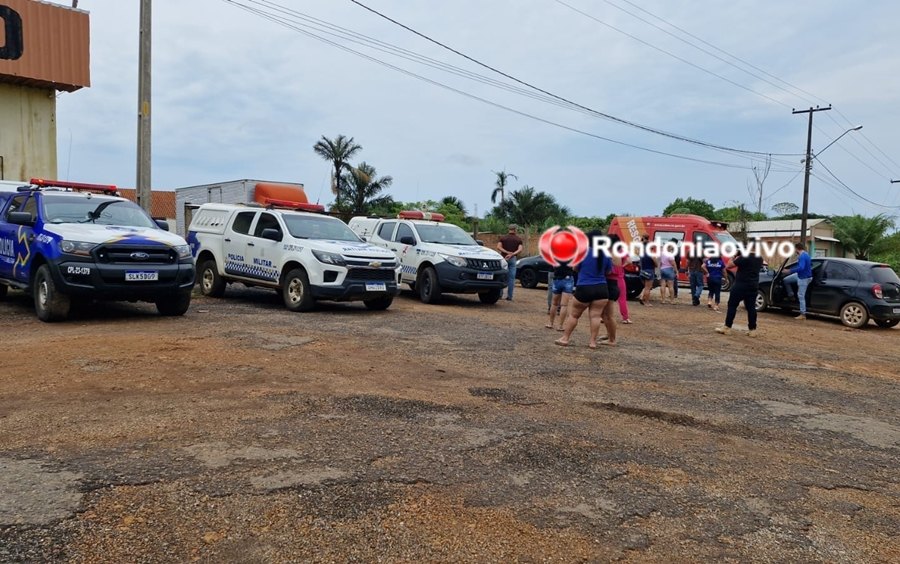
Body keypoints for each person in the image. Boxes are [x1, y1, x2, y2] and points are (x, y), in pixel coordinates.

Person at [555, 231, 612, 348]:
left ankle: (565, 338)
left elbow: (575, 268)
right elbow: (608, 272)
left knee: (574, 315)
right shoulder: (605, 254)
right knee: (596, 316)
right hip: (601, 288)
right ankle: (592, 342)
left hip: (584, 287)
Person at [715, 249, 764, 337]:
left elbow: (729, 265)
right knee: (751, 308)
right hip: (753, 285)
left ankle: (727, 327)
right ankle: (752, 330)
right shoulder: (759, 258)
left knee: (732, 305)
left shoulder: (744, 257)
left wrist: (733, 256)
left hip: (741, 285)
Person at [782, 242, 812, 320]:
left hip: (803, 278)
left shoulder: (802, 256)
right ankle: (791, 295)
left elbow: (801, 267)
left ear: (797, 249)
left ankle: (803, 314)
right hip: (801, 275)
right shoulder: (806, 254)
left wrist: (789, 271)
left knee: (801, 295)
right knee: (786, 280)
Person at [607, 234, 631, 324]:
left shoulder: (606, 250)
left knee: (606, 299)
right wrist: (621, 266)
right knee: (622, 299)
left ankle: (604, 316)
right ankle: (625, 318)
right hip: (619, 278)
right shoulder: (621, 250)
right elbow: (629, 261)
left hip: (607, 278)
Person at [497, 224, 523, 301]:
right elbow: (520, 249)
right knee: (511, 278)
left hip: (504, 258)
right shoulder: (518, 239)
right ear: (515, 230)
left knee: (501, 276)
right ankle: (509, 296)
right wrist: (512, 254)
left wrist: (506, 252)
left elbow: (498, 247)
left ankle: (500, 294)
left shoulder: (503, 238)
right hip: (512, 259)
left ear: (509, 229)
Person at [546, 262, 574, 330]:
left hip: (557, 279)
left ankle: (550, 323)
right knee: (564, 305)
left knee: (554, 303)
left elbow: (553, 265)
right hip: (567, 279)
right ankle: (560, 325)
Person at [638, 234, 657, 306]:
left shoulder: (641, 253)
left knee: (645, 287)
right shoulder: (651, 253)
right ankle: (647, 302)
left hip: (642, 271)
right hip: (649, 271)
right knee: (648, 288)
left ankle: (641, 297)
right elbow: (656, 263)